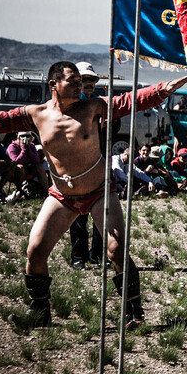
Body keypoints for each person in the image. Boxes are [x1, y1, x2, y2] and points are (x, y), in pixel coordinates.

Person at [0, 61, 186, 327]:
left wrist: (164, 89)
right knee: (36, 251)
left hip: (98, 192)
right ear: (53, 85)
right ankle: (40, 314)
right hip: (62, 195)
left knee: (115, 249)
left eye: (79, 82)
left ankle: (134, 313)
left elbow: (128, 100)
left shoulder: (93, 107)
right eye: (72, 81)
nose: (79, 86)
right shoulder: (36, 114)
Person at [69, 62, 104, 269]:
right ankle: (78, 257)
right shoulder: (70, 106)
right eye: (85, 80)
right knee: (78, 215)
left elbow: (112, 128)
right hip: (77, 166)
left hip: (97, 163)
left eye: (92, 80)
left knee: (101, 212)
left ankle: (97, 255)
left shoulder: (100, 103)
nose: (89, 84)